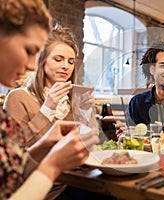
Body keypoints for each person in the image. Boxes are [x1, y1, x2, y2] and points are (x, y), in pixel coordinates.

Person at [0, 0, 99, 199]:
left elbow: (90, 146)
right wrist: (47, 110)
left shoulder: (75, 98)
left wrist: (88, 112)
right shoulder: (18, 98)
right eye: (58, 59)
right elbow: (16, 167)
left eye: (71, 62)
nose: (66, 66)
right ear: (43, 61)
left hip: (74, 181)